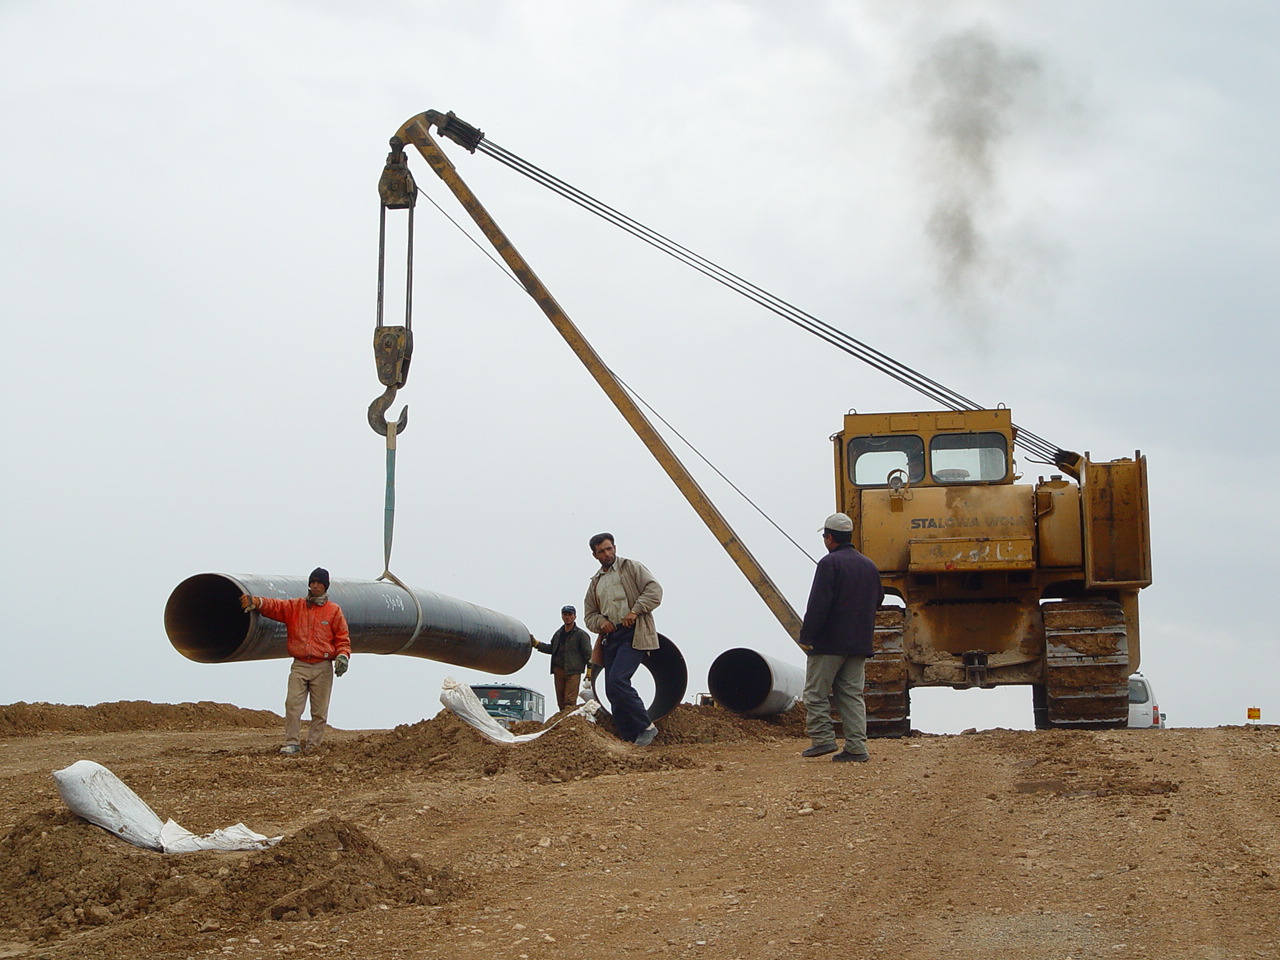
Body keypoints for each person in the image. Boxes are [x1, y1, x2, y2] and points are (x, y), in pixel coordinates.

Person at [798, 513, 884, 763]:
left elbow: (819, 604)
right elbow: (878, 599)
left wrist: (807, 635)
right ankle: (856, 748)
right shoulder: (869, 565)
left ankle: (823, 739)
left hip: (829, 643)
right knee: (851, 695)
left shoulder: (829, 564)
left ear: (829, 538)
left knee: (815, 693)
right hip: (859, 643)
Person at [240, 567, 351, 756]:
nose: (315, 585)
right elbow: (276, 606)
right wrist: (257, 602)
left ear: (325, 586)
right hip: (300, 664)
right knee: (293, 705)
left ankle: (313, 746)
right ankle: (292, 743)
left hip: (322, 666)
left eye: (319, 583)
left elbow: (342, 637)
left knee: (319, 711)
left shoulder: (333, 611)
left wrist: (343, 656)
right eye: (312, 582)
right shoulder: (296, 607)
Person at [583, 533, 662, 746]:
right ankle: (629, 738)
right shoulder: (595, 583)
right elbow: (589, 615)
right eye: (601, 551)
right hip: (611, 638)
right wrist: (601, 622)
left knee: (619, 679)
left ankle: (646, 727)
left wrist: (635, 611)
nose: (607, 554)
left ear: (615, 548)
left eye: (609, 548)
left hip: (634, 633)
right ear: (595, 555)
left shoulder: (631, 568)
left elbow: (654, 591)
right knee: (611, 689)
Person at [532, 604, 595, 712]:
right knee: (561, 702)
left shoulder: (581, 635)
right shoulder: (558, 634)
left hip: (573, 672)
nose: (567, 617)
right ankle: (563, 720)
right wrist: (537, 644)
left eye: (569, 614)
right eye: (565, 614)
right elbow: (552, 649)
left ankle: (570, 719)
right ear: (562, 616)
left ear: (575, 616)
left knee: (569, 702)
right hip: (558, 670)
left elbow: (588, 654)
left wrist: (590, 670)